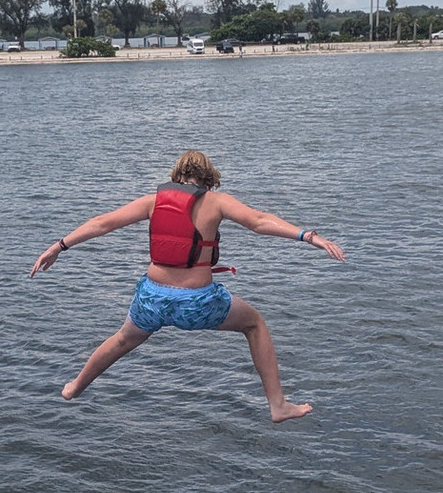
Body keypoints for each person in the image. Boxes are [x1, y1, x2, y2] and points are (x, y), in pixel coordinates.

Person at [30, 150, 345, 423]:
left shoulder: (153, 201)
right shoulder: (216, 201)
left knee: (124, 339)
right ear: (209, 179)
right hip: (198, 304)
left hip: (152, 299)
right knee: (253, 324)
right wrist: (308, 236)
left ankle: (75, 387)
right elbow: (259, 221)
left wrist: (59, 246)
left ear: (177, 176)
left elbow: (102, 223)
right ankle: (278, 405)